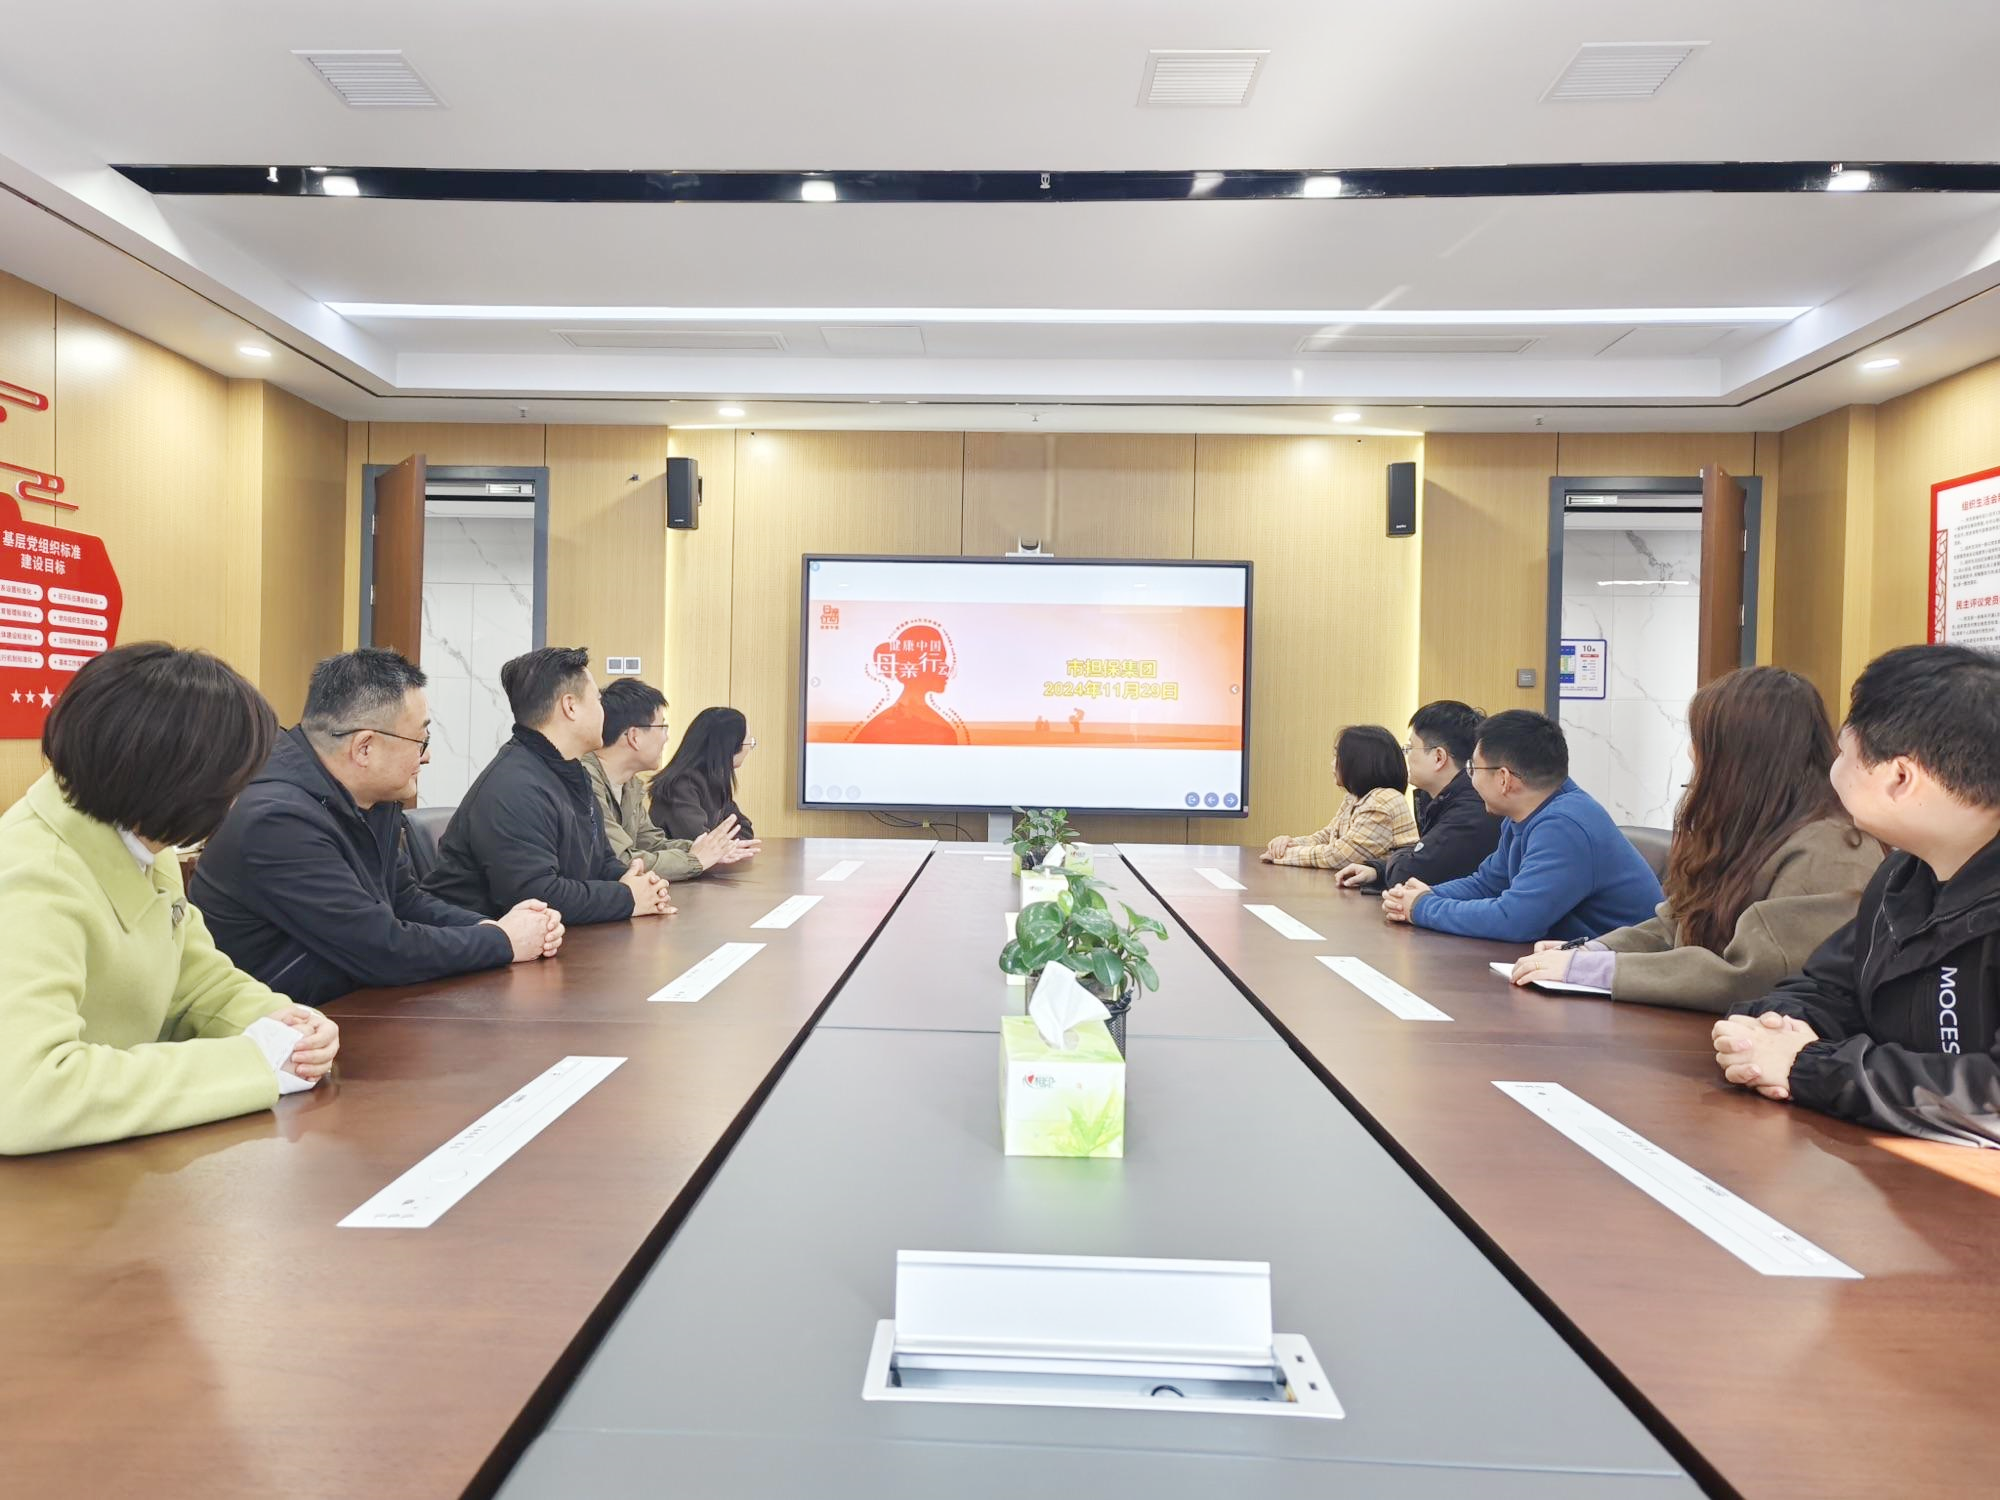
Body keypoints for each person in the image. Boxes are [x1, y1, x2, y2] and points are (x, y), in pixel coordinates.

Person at [0, 644, 338, 1155]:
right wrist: (252, 1063)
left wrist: (288, 1025)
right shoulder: (32, 877)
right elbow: (30, 1094)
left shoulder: (139, 837)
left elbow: (194, 980)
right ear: (181, 783)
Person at [1714, 645, 2000, 1145]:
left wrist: (1809, 1068)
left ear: (1900, 778)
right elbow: (1828, 988)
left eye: (1845, 754)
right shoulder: (1903, 875)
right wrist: (1770, 1029)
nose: (1834, 770)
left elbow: (1989, 1096)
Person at [191, 648, 564, 1005]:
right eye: (421, 740)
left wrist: (499, 926)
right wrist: (503, 941)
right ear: (364, 748)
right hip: (284, 1028)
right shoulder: (275, 821)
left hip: (350, 1006)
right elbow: (381, 948)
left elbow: (404, 901)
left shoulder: (370, 799)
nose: (427, 755)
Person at [1507, 667, 1880, 1012]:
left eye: (1701, 740)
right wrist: (1592, 952)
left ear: (1740, 755)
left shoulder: (1830, 850)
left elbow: (1753, 977)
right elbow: (1676, 924)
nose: (1689, 753)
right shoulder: (1751, 827)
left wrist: (1597, 971)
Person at [425, 646, 675, 924]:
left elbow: (601, 860)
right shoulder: (515, 786)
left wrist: (638, 883)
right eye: (597, 700)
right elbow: (536, 895)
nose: (604, 711)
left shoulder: (569, 771)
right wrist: (626, 897)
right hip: (476, 941)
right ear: (570, 706)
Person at [1383, 709, 1661, 942]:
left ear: (1504, 779)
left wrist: (1423, 907)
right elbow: (1488, 883)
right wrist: (1420, 895)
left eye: (1473, 769)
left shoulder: (1564, 825)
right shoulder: (1525, 813)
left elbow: (1515, 920)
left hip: (1616, 974)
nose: (1470, 779)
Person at [585, 678, 759, 879]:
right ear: (634, 736)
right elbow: (619, 861)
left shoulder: (629, 784)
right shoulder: (585, 781)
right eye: (662, 727)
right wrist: (695, 859)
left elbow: (651, 842)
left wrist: (705, 849)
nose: (666, 737)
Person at [1334, 700, 1501, 891]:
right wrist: (1378, 870)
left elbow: (1411, 872)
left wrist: (1402, 855)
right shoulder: (1440, 800)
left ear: (1438, 757)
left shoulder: (1470, 811)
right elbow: (1422, 859)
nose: (1407, 756)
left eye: (1410, 748)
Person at [1262, 725, 1418, 869]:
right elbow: (1327, 836)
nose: (1332, 763)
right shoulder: (1354, 797)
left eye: (1337, 756)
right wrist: (1288, 843)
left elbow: (1341, 856)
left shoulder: (1382, 800)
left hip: (1386, 889)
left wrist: (1283, 855)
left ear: (1359, 761)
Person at [651, 706, 757, 843]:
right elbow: (700, 842)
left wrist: (726, 845)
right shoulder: (681, 785)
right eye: (749, 743)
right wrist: (727, 845)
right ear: (730, 746)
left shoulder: (714, 780)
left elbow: (743, 828)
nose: (749, 749)